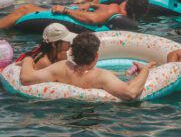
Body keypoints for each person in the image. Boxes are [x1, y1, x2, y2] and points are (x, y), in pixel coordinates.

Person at [19, 31, 155, 100]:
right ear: (96, 55)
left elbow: (26, 78)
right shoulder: (101, 76)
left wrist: (27, 60)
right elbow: (130, 93)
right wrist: (145, 70)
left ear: (72, 52)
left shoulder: (60, 68)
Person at [0, 0, 149, 30]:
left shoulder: (115, 8)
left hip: (72, 19)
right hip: (84, 17)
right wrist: (91, 4)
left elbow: (93, 19)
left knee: (25, 8)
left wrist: (66, 10)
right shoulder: (123, 14)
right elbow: (105, 10)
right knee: (30, 8)